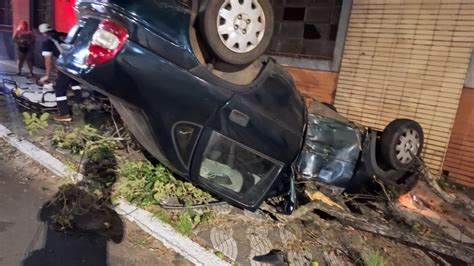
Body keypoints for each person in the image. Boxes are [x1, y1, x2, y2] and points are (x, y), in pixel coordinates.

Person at [39, 23, 83, 122]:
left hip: (66, 65)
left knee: (59, 88)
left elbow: (48, 60)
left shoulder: (47, 42)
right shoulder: (64, 34)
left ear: (43, 33)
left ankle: (64, 114)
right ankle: (80, 102)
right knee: (74, 81)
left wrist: (47, 75)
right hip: (76, 62)